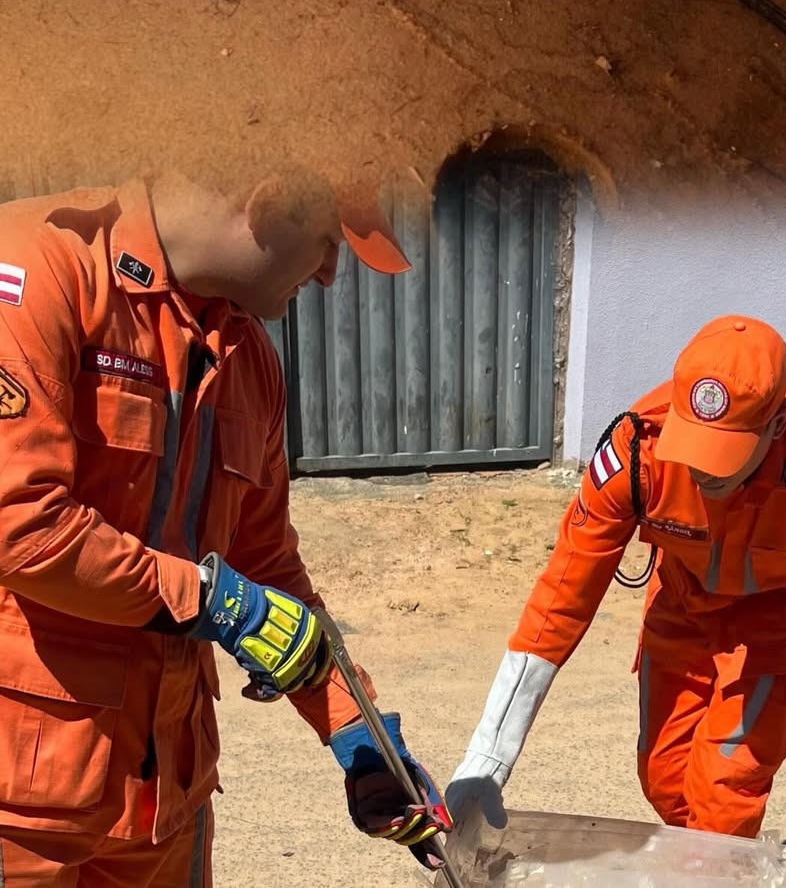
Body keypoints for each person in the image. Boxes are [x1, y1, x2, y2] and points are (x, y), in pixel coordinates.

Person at [0, 172, 452, 884]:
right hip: (23, 815)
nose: (333, 276)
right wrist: (218, 602)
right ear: (268, 199)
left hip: (165, 798)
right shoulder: (34, 270)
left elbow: (267, 564)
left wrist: (359, 733)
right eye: (331, 243)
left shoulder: (249, 360)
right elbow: (18, 525)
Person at [445, 316, 786, 887]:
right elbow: (561, 599)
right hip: (682, 610)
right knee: (663, 777)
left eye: (726, 450)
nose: (703, 467)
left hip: (778, 629)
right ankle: (715, 868)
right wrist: (488, 758)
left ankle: (711, 866)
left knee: (723, 795)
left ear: (777, 422)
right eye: (696, 443)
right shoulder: (639, 448)